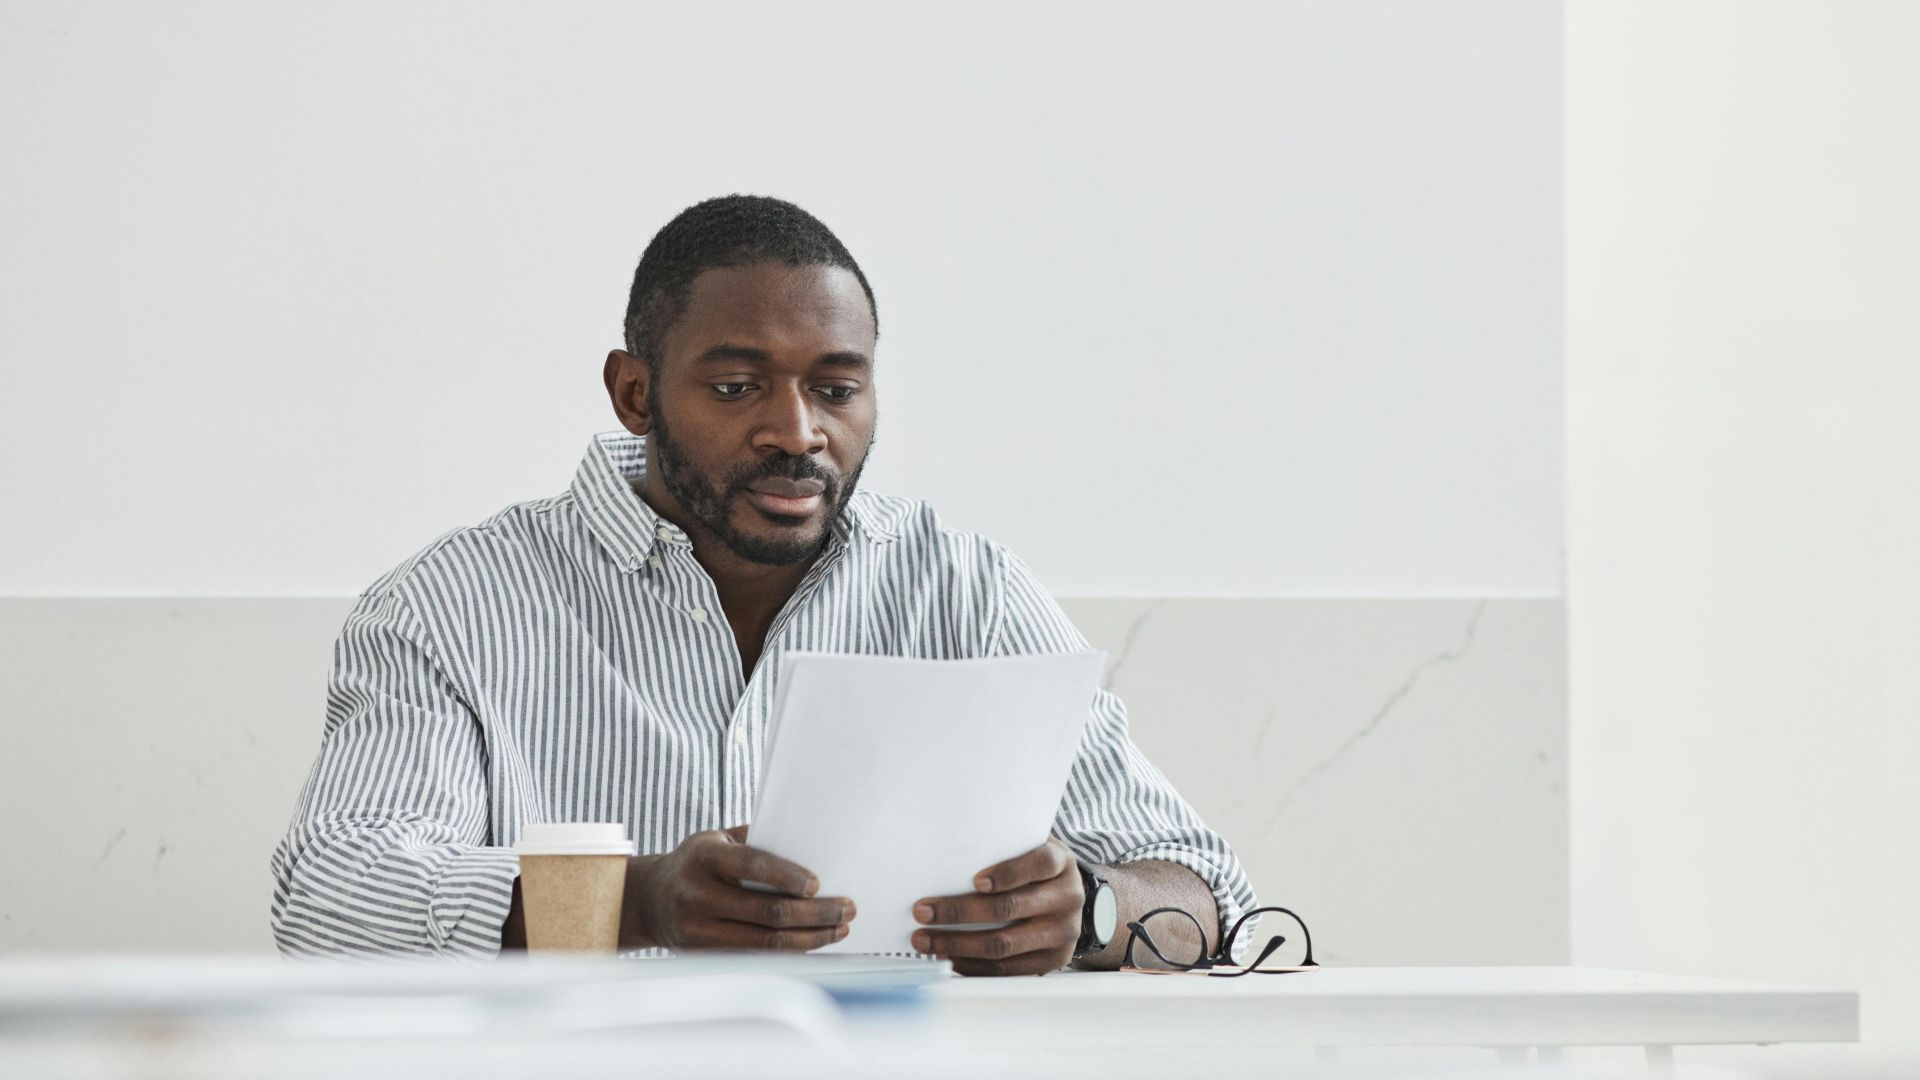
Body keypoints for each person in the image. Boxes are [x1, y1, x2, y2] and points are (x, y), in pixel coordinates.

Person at [269, 195, 1256, 975]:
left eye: (837, 388)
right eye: (737, 386)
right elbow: (332, 896)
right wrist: (632, 901)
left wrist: (1095, 908)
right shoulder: (447, 608)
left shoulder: (967, 592)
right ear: (635, 392)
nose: (798, 431)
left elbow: (1213, 888)